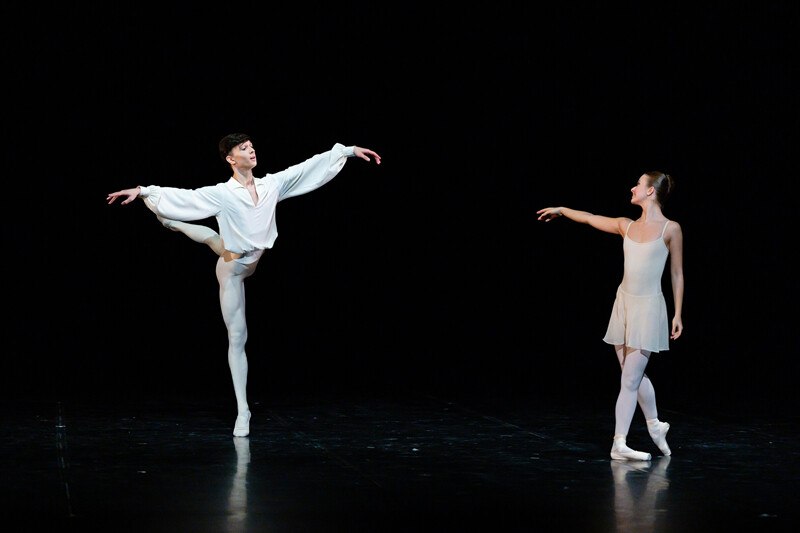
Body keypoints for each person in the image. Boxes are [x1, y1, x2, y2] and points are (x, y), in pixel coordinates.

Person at [107, 134, 382, 437]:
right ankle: (243, 410)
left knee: (214, 239)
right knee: (237, 335)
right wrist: (145, 191)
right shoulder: (222, 193)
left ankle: (174, 224)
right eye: (243, 148)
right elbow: (185, 196)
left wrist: (348, 151)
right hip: (233, 271)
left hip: (249, 258)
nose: (251, 150)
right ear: (230, 158)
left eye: (251, 146)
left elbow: (306, 168)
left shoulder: (271, 185)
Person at [536, 171, 683, 461]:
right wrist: (562, 210)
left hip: (649, 308)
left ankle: (619, 443)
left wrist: (678, 312)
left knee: (629, 379)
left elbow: (677, 273)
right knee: (633, 375)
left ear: (651, 191)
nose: (632, 187)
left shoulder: (671, 228)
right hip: (624, 304)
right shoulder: (625, 225)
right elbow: (590, 218)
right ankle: (655, 425)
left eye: (638, 184)